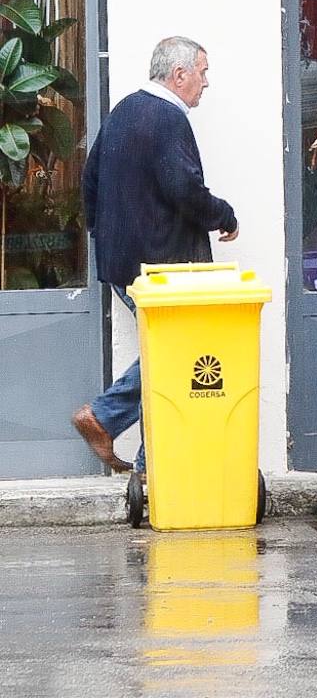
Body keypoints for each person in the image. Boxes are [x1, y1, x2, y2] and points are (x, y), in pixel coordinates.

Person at [71, 37, 238, 473]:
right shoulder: (168, 119)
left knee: (167, 352)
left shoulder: (125, 109)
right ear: (178, 74)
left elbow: (90, 179)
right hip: (161, 264)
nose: (206, 82)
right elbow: (183, 189)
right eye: (202, 72)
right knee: (175, 354)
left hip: (124, 260)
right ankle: (105, 417)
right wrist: (225, 215)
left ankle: (149, 468)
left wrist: (102, 234)